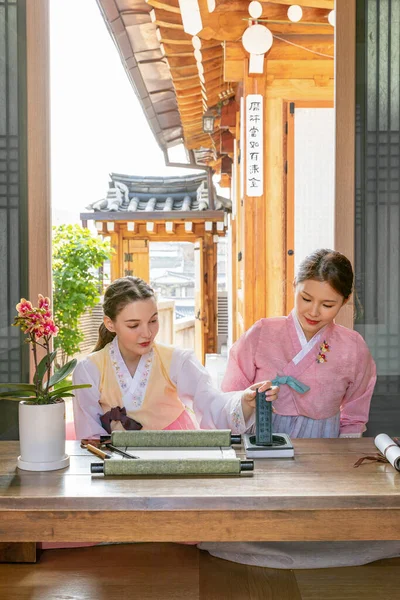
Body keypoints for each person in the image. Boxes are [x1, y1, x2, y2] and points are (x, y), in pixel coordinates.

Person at [199, 249, 400, 568]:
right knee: (255, 527)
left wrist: (344, 457)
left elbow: (356, 408)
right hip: (265, 438)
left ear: (345, 302)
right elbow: (229, 395)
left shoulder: (353, 347)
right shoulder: (263, 332)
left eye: (328, 304)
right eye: (306, 298)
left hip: (324, 445)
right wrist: (249, 400)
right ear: (294, 287)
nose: (314, 311)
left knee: (319, 527)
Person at [72, 276, 278, 440]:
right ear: (110, 324)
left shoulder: (178, 361)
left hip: (176, 449)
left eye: (153, 320)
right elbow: (90, 434)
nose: (147, 333)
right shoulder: (89, 370)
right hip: (117, 458)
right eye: (133, 325)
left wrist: (244, 402)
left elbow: (210, 402)